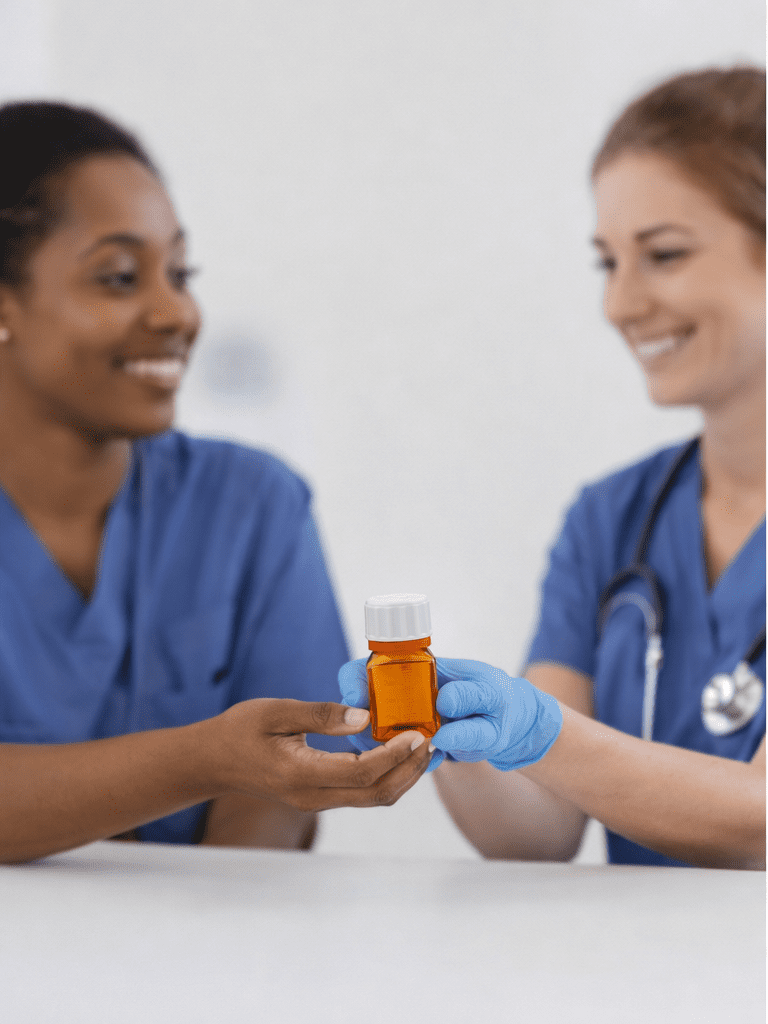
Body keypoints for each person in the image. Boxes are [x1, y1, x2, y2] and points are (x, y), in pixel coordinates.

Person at [340, 66, 765, 869]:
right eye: (608, 263)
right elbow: (537, 830)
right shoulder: (611, 520)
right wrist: (446, 732)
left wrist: (542, 732)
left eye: (663, 255)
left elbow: (761, 821)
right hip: (638, 952)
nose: (620, 304)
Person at [0, 101, 430, 864]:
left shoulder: (253, 505)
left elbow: (277, 798)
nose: (178, 312)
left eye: (180, 273)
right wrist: (204, 758)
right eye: (120, 277)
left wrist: (215, 927)